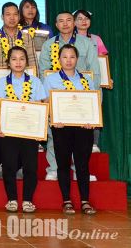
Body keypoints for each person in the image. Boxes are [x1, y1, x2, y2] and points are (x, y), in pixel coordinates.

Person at [39, 12, 100, 181]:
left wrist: (96, 103)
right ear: (56, 25)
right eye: (61, 21)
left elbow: (95, 73)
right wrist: (49, 101)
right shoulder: (48, 45)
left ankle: (80, 170)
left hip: (82, 101)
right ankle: (54, 168)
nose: (65, 24)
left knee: (81, 139)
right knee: (55, 135)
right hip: (57, 99)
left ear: (74, 23)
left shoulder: (87, 44)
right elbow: (44, 73)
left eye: (68, 21)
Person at [0, 2, 37, 180]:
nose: (12, 17)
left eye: (15, 14)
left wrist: (34, 85)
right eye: (8, 14)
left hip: (24, 88)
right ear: (2, 17)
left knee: (21, 127)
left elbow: (32, 63)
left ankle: (21, 167)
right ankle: (2, 165)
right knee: (2, 128)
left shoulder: (27, 37)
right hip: (1, 89)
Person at [43, 44, 98, 215]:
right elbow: (46, 103)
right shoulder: (51, 79)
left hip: (83, 128)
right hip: (62, 128)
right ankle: (66, 199)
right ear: (59, 60)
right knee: (63, 164)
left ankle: (85, 200)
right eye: (65, 57)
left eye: (72, 57)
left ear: (77, 59)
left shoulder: (86, 80)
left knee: (82, 164)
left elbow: (91, 104)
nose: (68, 60)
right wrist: (54, 118)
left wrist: (91, 120)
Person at [0, 46, 47, 213]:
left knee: (30, 167)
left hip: (29, 133)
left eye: (22, 59)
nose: (18, 62)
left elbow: (41, 105)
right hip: (7, 133)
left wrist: (40, 130)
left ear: (27, 62)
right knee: (9, 166)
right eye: (14, 59)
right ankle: (11, 199)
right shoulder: (0, 83)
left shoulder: (35, 82)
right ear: (8, 63)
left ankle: (27, 200)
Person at [74, 9, 109, 153]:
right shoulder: (71, 39)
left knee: (95, 110)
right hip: (75, 82)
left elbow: (103, 61)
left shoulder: (96, 39)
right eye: (80, 18)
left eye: (86, 18)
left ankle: (94, 142)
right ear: (74, 22)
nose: (83, 21)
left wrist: (106, 77)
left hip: (94, 81)